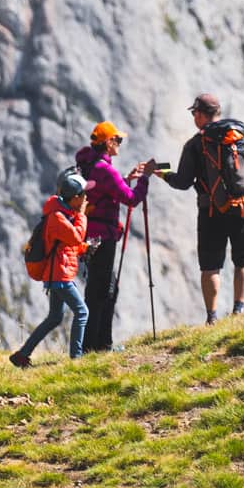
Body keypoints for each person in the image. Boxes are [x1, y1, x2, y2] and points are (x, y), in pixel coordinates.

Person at [163, 92, 244, 322]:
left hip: (211, 210)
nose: (193, 117)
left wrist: (164, 174)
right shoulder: (240, 131)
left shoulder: (196, 143)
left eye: (194, 113)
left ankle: (212, 317)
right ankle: (239, 311)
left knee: (210, 266)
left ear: (199, 114)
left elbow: (182, 182)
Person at [75, 121, 156, 353]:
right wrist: (145, 178)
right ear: (108, 142)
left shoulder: (89, 164)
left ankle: (100, 343)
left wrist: (125, 179)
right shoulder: (104, 169)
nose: (119, 144)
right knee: (102, 290)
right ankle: (95, 345)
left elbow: (103, 188)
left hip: (89, 235)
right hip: (103, 236)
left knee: (102, 288)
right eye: (117, 140)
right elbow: (131, 199)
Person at [11, 168, 91, 367]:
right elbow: (75, 236)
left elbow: (65, 245)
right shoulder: (57, 217)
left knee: (54, 317)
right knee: (82, 312)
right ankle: (76, 359)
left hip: (58, 274)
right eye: (82, 195)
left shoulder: (63, 213)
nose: (85, 199)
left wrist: (85, 248)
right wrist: (82, 216)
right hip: (60, 276)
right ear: (74, 198)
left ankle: (22, 355)